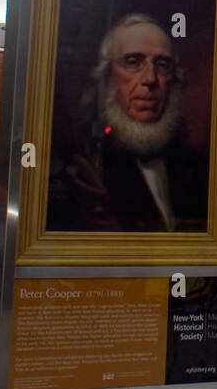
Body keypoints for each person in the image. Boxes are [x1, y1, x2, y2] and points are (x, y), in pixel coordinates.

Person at [49, 13, 208, 232]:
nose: (150, 79)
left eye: (162, 65)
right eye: (133, 62)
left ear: (173, 78)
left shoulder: (196, 167)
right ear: (107, 75)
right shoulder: (85, 165)